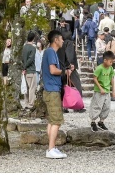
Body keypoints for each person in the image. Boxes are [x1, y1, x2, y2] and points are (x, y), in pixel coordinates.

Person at [42, 30, 68, 159]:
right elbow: (53, 70)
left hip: (49, 89)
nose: (63, 41)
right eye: (61, 39)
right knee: (57, 121)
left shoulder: (50, 52)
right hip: (52, 90)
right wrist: (64, 72)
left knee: (52, 121)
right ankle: (51, 149)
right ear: (56, 40)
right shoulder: (51, 52)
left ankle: (52, 147)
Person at [90, 51, 115, 132]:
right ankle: (93, 122)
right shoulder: (99, 68)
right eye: (110, 62)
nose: (111, 63)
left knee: (106, 106)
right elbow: (94, 78)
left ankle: (101, 121)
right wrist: (100, 88)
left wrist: (114, 90)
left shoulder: (110, 68)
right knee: (97, 106)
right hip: (99, 91)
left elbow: (112, 77)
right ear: (105, 60)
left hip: (107, 90)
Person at [22, 31, 38, 111]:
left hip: (25, 71)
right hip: (31, 70)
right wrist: (25, 67)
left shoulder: (24, 47)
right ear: (33, 38)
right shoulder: (33, 48)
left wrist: (23, 68)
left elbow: (23, 59)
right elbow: (31, 59)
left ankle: (25, 103)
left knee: (26, 87)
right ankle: (31, 104)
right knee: (32, 88)